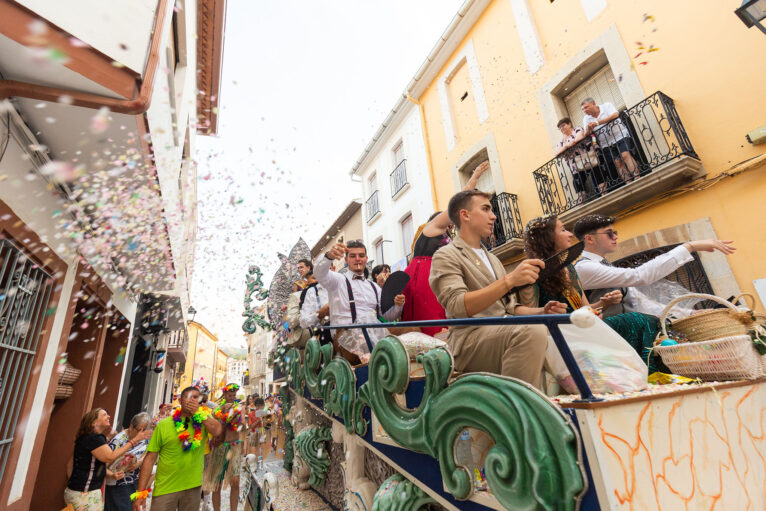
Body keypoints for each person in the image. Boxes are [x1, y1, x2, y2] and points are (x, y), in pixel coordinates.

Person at [428, 190, 550, 386]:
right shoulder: (445, 255)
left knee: (557, 327)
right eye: (485, 209)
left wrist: (543, 311)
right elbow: (457, 306)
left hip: (503, 330)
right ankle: (515, 410)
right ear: (465, 215)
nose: (493, 216)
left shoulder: (493, 258)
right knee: (531, 331)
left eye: (491, 210)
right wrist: (509, 281)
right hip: (470, 340)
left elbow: (509, 308)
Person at [518, 215, 662, 368]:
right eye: (563, 229)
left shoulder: (569, 268)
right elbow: (525, 315)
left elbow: (584, 309)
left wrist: (604, 303)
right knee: (637, 320)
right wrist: (543, 311)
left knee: (649, 321)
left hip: (582, 328)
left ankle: (645, 371)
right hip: (561, 334)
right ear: (548, 238)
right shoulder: (533, 269)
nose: (570, 234)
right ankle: (646, 372)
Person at [573, 214, 736, 317]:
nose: (615, 237)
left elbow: (640, 302)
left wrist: (690, 313)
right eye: (609, 233)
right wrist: (689, 247)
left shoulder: (604, 266)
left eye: (616, 233)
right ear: (589, 239)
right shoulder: (584, 268)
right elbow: (640, 276)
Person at [402, 160, 490, 336]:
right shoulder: (431, 228)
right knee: (430, 321)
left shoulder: (451, 237)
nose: (450, 225)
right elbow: (456, 206)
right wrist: (473, 180)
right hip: (423, 276)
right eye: (447, 222)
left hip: (440, 273)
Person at [132, 386, 223, 511]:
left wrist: (199, 414)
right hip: (165, 488)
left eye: (195, 398)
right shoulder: (164, 425)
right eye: (188, 397)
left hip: (192, 487)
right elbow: (149, 459)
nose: (192, 400)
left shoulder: (203, 422)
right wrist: (140, 493)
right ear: (180, 401)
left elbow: (218, 431)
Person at [315, 239, 405, 364]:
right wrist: (329, 256)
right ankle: (382, 368)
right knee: (370, 349)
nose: (358, 259)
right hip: (346, 336)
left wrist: (397, 305)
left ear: (366, 258)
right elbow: (319, 273)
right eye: (353, 256)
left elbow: (386, 317)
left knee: (412, 329)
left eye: (361, 256)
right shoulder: (337, 280)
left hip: (375, 331)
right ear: (346, 260)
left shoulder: (374, 287)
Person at [65, 409, 151, 511]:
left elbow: (70, 464)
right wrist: (133, 441)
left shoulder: (91, 438)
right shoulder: (94, 439)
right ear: (94, 422)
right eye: (104, 415)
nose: (109, 416)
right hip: (85, 493)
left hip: (83, 491)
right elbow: (110, 457)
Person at [203, 383, 243, 511]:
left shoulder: (239, 408)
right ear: (224, 395)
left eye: (234, 395)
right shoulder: (216, 409)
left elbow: (243, 426)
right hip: (220, 448)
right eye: (230, 395)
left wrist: (235, 415)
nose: (232, 397)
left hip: (234, 447)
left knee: (235, 482)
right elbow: (212, 424)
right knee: (217, 484)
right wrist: (223, 412)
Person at [581, 97, 640, 184]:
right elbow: (586, 134)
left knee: (625, 155)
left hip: (620, 135)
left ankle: (637, 177)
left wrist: (597, 123)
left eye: (586, 107)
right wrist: (588, 129)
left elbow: (615, 115)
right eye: (583, 109)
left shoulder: (606, 106)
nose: (584, 110)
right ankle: (629, 183)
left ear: (593, 103)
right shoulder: (586, 118)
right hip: (606, 143)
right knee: (618, 163)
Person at [104, 413, 151, 511]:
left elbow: (147, 454)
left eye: (144, 430)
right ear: (131, 426)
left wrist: (139, 462)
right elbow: (104, 465)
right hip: (118, 485)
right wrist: (113, 474)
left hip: (135, 482)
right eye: (139, 430)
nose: (141, 433)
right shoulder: (118, 440)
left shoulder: (143, 438)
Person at [555, 117, 598, 201]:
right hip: (574, 165)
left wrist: (566, 147)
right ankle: (581, 203)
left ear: (569, 124)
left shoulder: (577, 129)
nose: (561, 128)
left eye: (563, 125)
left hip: (588, 158)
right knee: (577, 184)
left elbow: (579, 138)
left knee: (597, 176)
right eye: (559, 127)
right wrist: (566, 145)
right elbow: (557, 154)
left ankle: (603, 194)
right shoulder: (561, 142)